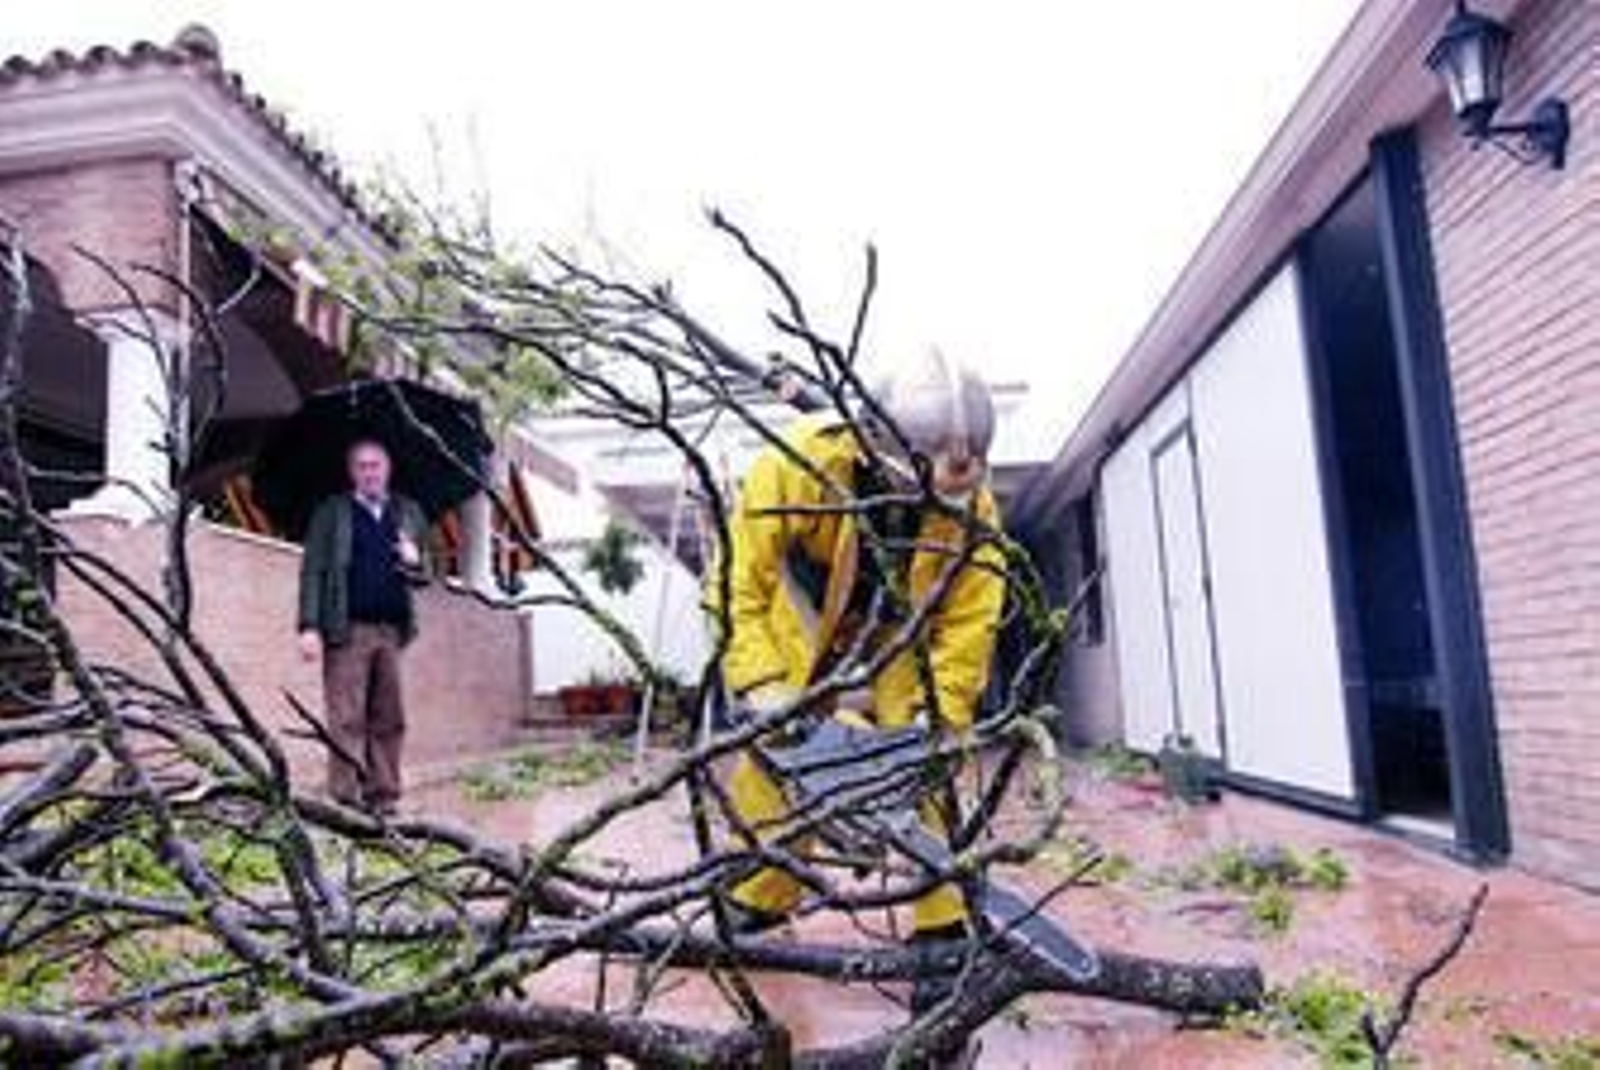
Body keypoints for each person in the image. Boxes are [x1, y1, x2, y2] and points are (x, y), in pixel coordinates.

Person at [715, 349, 1006, 1012]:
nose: (942, 497)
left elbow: (970, 619)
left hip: (899, 625)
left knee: (929, 761)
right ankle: (755, 899)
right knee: (779, 755)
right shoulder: (800, 459)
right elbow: (738, 584)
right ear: (881, 449)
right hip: (800, 605)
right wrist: (764, 687)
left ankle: (942, 927)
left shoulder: (974, 504)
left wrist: (940, 717)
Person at [297, 439, 430, 816]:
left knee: (389, 717)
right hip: (347, 629)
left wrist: (415, 559)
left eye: (375, 465)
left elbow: (426, 572)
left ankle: (383, 797)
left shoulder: (408, 512)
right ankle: (345, 799)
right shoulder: (331, 513)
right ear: (352, 472)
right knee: (347, 717)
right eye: (361, 466)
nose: (369, 472)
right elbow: (312, 571)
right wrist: (308, 625)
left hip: (392, 630)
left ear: (387, 469)